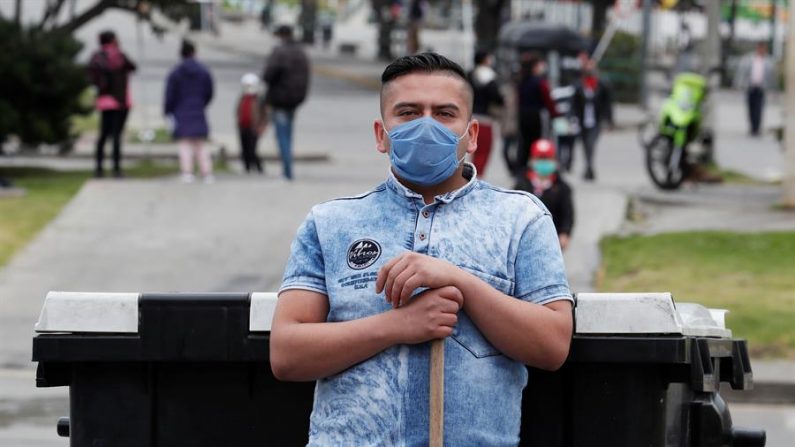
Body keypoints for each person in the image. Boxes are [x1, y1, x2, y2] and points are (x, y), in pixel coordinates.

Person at [271, 53, 573, 445]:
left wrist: (462, 283)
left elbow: (552, 345)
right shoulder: (331, 223)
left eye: (445, 113)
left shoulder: (521, 219)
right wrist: (397, 326)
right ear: (381, 134)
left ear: (473, 135)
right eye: (409, 113)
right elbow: (287, 353)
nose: (426, 125)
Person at [263, 25, 310, 180]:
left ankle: (287, 172)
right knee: (288, 134)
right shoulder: (301, 52)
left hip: (280, 99)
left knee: (282, 135)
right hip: (295, 100)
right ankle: (288, 169)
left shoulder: (279, 52)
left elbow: (268, 75)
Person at [88, 30, 136, 178]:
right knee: (116, 136)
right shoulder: (119, 55)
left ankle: (99, 169)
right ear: (113, 40)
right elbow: (132, 67)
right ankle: (116, 169)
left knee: (102, 136)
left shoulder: (96, 57)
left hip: (104, 101)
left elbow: (91, 76)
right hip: (121, 101)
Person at [165, 40, 215, 183]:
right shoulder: (203, 71)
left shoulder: (176, 72)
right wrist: (202, 103)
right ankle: (206, 172)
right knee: (201, 143)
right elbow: (209, 91)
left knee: (185, 143)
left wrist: (168, 110)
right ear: (194, 52)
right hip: (198, 108)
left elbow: (170, 94)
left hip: (181, 110)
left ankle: (187, 172)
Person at [513, 139, 574, 251]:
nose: (544, 162)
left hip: (552, 240)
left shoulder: (563, 188)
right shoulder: (522, 185)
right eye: (540, 158)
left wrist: (565, 233)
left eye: (547, 159)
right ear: (532, 160)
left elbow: (567, 214)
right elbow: (512, 211)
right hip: (524, 240)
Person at [516, 53, 557, 176]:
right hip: (537, 116)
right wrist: (556, 114)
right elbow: (548, 101)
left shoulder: (521, 81)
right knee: (539, 142)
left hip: (523, 115)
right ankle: (538, 169)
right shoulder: (540, 82)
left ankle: (522, 169)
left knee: (525, 144)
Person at [572, 57, 613, 181]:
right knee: (585, 146)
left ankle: (589, 168)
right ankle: (588, 168)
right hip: (582, 121)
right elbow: (574, 104)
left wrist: (609, 120)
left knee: (591, 144)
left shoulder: (602, 85)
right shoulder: (579, 85)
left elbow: (607, 104)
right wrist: (572, 118)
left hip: (596, 121)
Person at [467, 50, 504, 177]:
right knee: (483, 150)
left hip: (470, 116)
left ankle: (473, 175)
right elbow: (498, 98)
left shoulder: (469, 74)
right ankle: (477, 178)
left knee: (473, 150)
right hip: (484, 119)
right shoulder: (488, 76)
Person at [735, 42, 776, 137]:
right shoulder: (749, 59)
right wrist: (739, 84)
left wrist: (773, 89)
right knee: (750, 107)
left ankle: (757, 128)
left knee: (759, 109)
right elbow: (742, 72)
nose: (761, 50)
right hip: (750, 87)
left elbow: (772, 77)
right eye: (760, 48)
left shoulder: (769, 61)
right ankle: (752, 126)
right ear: (757, 49)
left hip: (761, 88)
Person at [237, 73, 268, 174]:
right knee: (244, 148)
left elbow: (265, 114)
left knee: (252, 149)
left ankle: (259, 167)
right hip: (243, 127)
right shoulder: (242, 98)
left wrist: (262, 125)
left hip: (254, 127)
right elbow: (239, 111)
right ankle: (247, 168)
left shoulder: (259, 99)